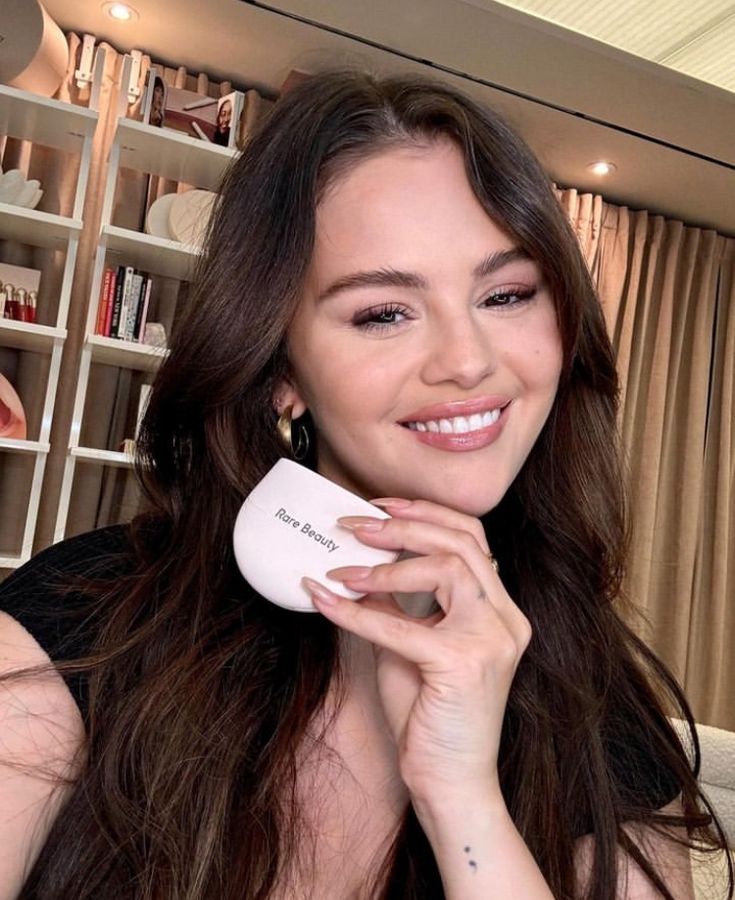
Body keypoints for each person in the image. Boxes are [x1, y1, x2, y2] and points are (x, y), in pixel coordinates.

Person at [0, 70, 732, 900]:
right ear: (280, 371)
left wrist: (463, 798)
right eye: (383, 312)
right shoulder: (79, 621)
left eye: (506, 294)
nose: (467, 361)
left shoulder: (599, 707)